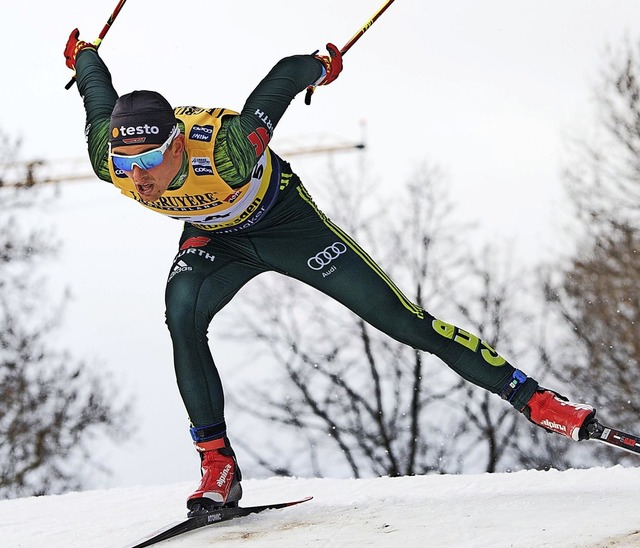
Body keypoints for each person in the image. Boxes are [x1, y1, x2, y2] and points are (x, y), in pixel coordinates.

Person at [64, 29, 597, 516]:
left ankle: (537, 400)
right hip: (215, 240)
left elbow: (281, 78)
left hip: (287, 225)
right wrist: (85, 53)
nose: (137, 178)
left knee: (403, 323)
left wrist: (320, 65)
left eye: (148, 161)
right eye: (124, 164)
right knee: (181, 315)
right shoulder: (107, 158)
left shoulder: (227, 152)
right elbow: (96, 89)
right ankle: (217, 466)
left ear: (177, 143)